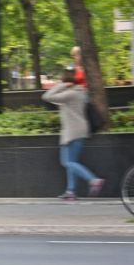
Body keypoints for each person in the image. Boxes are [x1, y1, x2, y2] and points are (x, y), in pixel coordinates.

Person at [43, 69, 104, 202]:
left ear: (66, 81)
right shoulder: (80, 93)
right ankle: (71, 191)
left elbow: (47, 96)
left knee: (67, 162)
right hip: (77, 131)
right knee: (72, 162)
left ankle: (93, 180)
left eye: (62, 80)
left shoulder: (70, 94)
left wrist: (62, 85)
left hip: (73, 132)